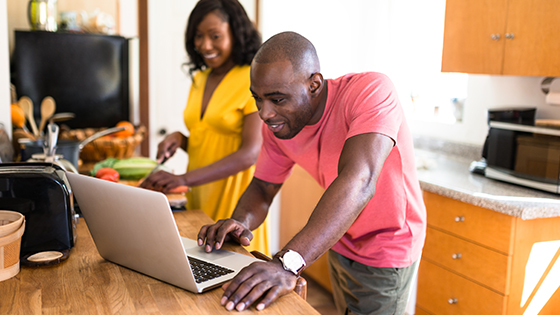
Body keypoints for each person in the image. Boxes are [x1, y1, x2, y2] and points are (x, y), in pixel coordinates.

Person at [197, 31, 427, 314]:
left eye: (277, 99)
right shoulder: (279, 125)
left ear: (314, 84)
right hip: (338, 234)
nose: (265, 113)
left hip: (386, 242)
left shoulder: (370, 91)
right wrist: (239, 221)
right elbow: (263, 188)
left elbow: (359, 181)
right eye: (258, 99)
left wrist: (287, 263)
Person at [140, 0, 269, 255]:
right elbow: (208, 136)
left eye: (215, 36)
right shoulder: (200, 78)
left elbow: (250, 153)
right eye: (198, 36)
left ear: (237, 33)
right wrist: (181, 139)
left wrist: (182, 179)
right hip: (198, 197)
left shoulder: (252, 79)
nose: (205, 45)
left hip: (236, 202)